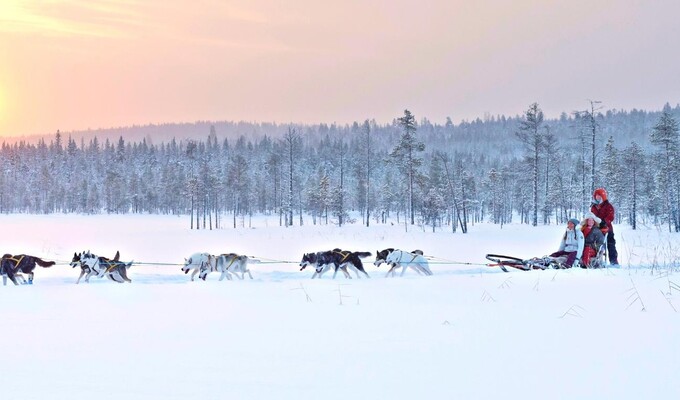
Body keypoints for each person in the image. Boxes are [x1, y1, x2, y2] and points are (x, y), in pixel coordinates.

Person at [590, 187, 619, 266]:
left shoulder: (608, 206)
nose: (597, 198)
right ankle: (595, 260)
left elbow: (611, 216)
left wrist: (604, 222)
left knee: (611, 244)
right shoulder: (593, 206)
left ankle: (614, 261)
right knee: (596, 245)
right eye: (596, 196)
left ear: (603, 196)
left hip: (607, 228)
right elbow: (592, 216)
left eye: (599, 196)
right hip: (596, 229)